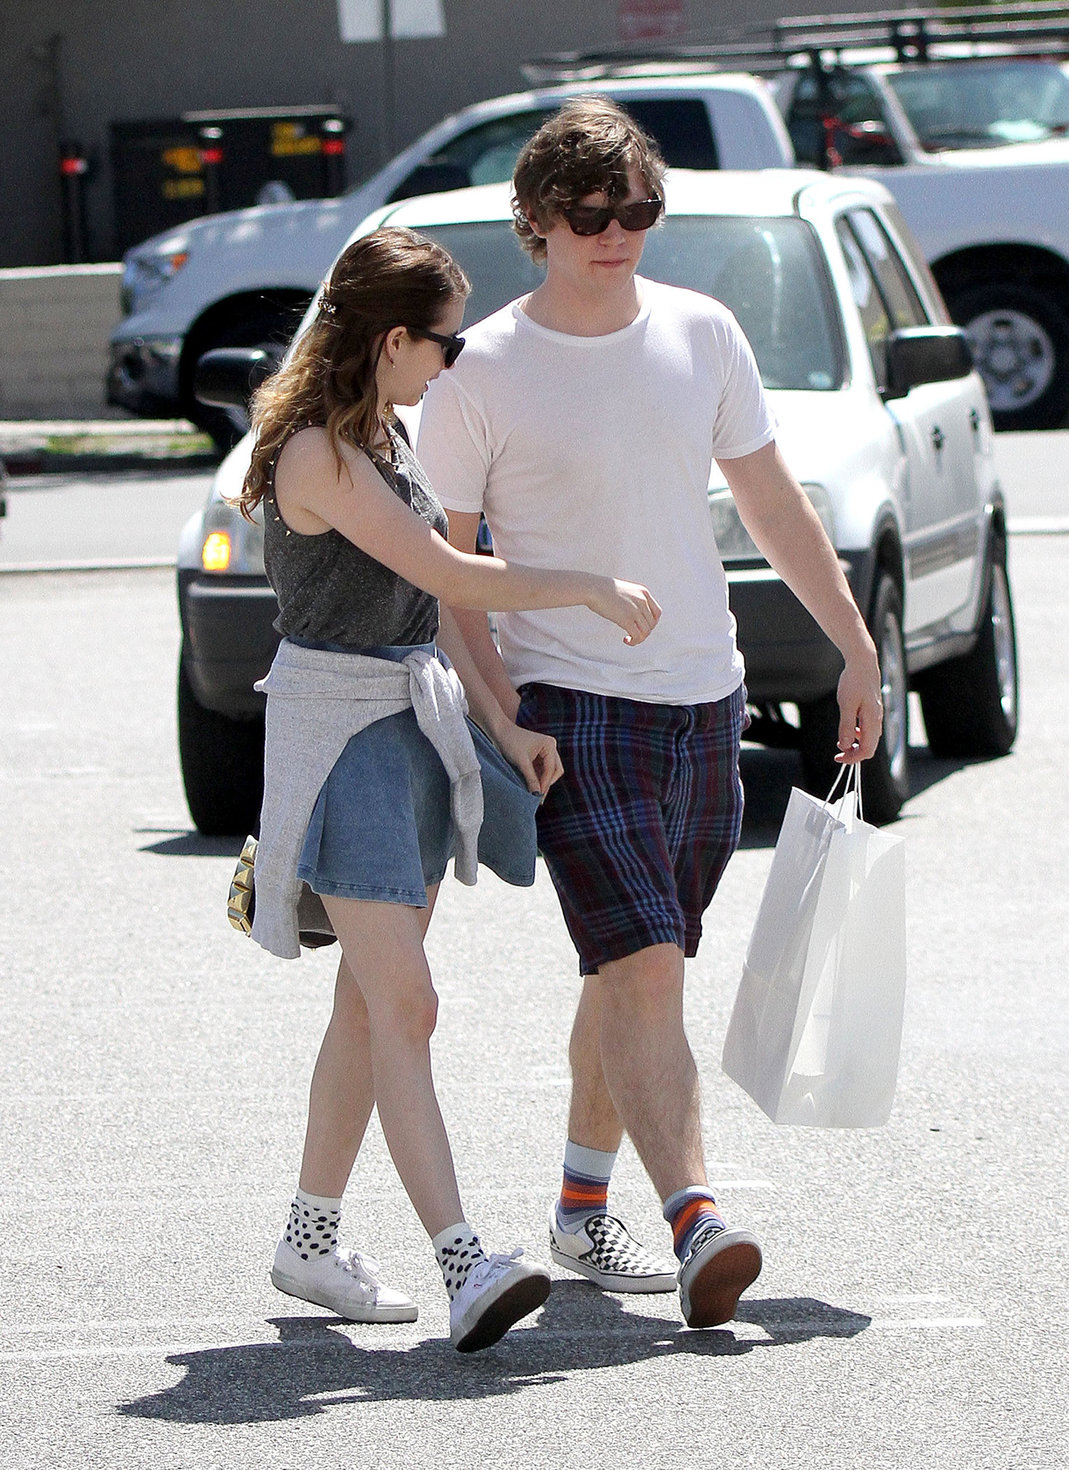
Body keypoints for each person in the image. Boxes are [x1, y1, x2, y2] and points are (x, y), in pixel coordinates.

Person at [417, 98, 884, 1330]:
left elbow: (774, 508)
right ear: (535, 223)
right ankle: (696, 1219)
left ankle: (580, 1204)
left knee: (636, 974)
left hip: (703, 697)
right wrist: (505, 712)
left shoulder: (702, 333)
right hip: (571, 705)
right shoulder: (482, 374)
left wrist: (851, 646)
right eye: (588, 214)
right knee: (642, 967)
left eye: (636, 210)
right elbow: (447, 570)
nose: (615, 232)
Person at [236, 225, 661, 1353]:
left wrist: (501, 720)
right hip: (341, 744)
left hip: (404, 732)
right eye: (443, 341)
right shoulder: (319, 455)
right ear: (388, 340)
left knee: (369, 1007)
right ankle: (464, 1260)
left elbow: (430, 613)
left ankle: (309, 1243)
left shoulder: (381, 430)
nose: (454, 360)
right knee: (406, 1006)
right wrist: (584, 587)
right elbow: (446, 572)